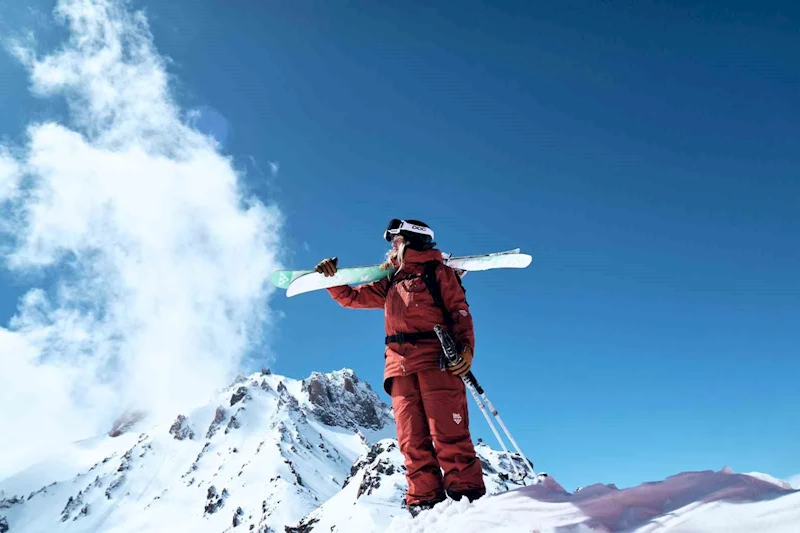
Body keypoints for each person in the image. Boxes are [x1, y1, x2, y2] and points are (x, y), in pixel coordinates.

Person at [315, 219, 486, 515]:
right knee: (411, 440)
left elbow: (460, 313)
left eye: (396, 241)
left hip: (437, 361)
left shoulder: (439, 273)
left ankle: (468, 505)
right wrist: (332, 279)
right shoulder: (390, 282)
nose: (392, 248)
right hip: (398, 368)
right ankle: (424, 505)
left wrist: (466, 350)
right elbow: (352, 298)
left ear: (411, 241)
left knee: (448, 433)